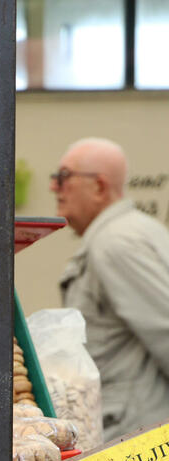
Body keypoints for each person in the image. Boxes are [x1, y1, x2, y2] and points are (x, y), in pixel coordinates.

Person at [54, 137, 169, 440]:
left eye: (64, 176)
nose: (55, 187)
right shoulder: (138, 230)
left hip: (134, 445)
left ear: (100, 187)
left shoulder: (115, 244)